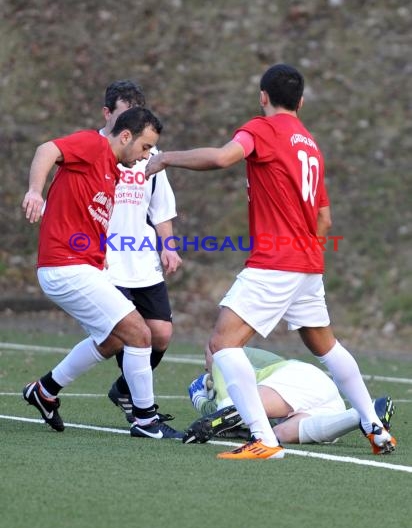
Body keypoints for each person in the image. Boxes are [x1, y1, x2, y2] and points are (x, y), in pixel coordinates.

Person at [145, 63, 397, 459]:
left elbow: (222, 158)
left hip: (276, 262)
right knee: (327, 347)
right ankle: (372, 424)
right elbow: (324, 218)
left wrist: (166, 159)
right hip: (308, 264)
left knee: (222, 344)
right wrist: (304, 252)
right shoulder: (311, 144)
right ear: (300, 101)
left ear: (263, 97)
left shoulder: (263, 129)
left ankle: (264, 440)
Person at [22, 106, 182, 439]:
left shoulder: (113, 170)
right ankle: (145, 420)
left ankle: (45, 390)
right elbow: (47, 150)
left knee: (112, 339)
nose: (146, 156)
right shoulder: (92, 146)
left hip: (82, 267)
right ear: (125, 136)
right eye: (144, 147)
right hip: (64, 266)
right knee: (140, 333)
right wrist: (35, 191)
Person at [100, 80, 182, 425]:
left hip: (142, 260)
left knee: (160, 333)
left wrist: (169, 247)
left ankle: (124, 389)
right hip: (106, 261)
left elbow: (161, 208)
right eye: (124, 116)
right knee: (128, 335)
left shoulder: (148, 152)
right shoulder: (91, 150)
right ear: (108, 115)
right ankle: (142, 408)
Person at [184, 346, 395, 446]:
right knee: (277, 435)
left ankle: (365, 413)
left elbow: (227, 409)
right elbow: (225, 417)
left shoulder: (222, 356)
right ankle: (363, 414)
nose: (205, 366)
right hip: (324, 402)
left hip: (299, 380)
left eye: (205, 359)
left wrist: (201, 402)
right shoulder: (235, 361)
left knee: (246, 406)